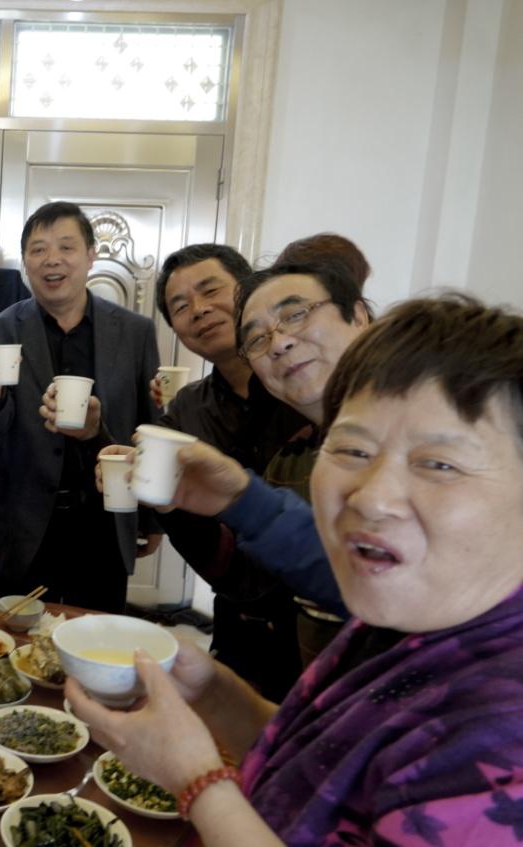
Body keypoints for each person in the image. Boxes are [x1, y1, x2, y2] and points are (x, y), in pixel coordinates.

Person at [71, 294, 523, 845]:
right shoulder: (411, 617)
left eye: (438, 464)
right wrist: (213, 694)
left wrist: (197, 782)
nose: (372, 497)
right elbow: (320, 764)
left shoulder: (500, 734)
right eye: (353, 450)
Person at [0, 201, 161, 611]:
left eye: (66, 247)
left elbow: (151, 425)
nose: (52, 260)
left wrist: (152, 518)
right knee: (20, 647)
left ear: (91, 255)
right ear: (25, 262)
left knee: (98, 645)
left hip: (105, 520)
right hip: (25, 525)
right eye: (38, 249)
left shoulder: (134, 332)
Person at [150, 243, 308, 699]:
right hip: (240, 619)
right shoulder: (187, 408)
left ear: (248, 290)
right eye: (181, 306)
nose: (199, 310)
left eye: (210, 290)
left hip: (325, 617)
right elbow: (184, 516)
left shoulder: (304, 383)